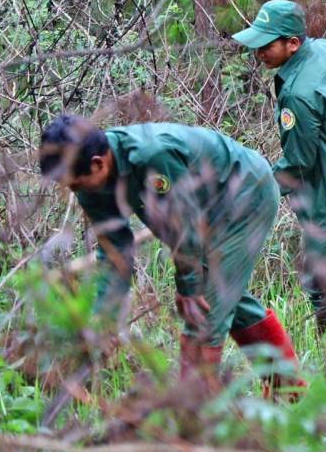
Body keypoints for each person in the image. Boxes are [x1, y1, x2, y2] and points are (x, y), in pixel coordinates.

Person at [38, 115, 303, 396]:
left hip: (246, 194)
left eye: (76, 184)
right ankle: (290, 393)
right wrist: (104, 321)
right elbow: (114, 252)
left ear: (97, 163)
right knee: (224, 299)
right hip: (202, 212)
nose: (75, 192)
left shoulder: (151, 157)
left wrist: (189, 287)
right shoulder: (92, 184)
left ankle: (194, 419)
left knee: (204, 312)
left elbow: (183, 224)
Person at [232, 0, 326, 335]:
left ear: (293, 43)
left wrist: (256, 189)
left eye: (266, 45)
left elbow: (299, 161)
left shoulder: (298, 93)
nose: (259, 54)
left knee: (322, 282)